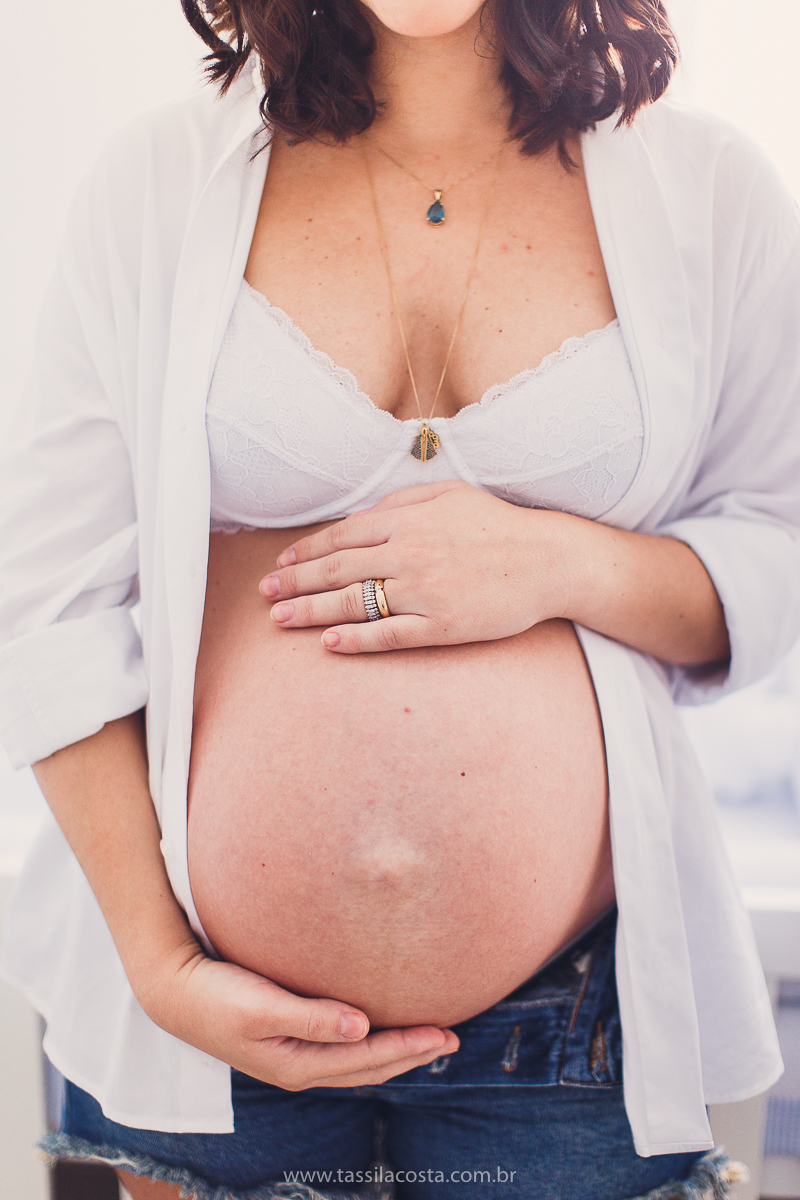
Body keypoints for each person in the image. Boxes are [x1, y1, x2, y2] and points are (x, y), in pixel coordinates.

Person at [1, 0, 799, 1196]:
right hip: (211, 1010)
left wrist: (558, 563)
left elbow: (774, 550)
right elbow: (49, 597)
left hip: (574, 1017)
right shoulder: (154, 182)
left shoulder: (710, 192)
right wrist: (160, 965)